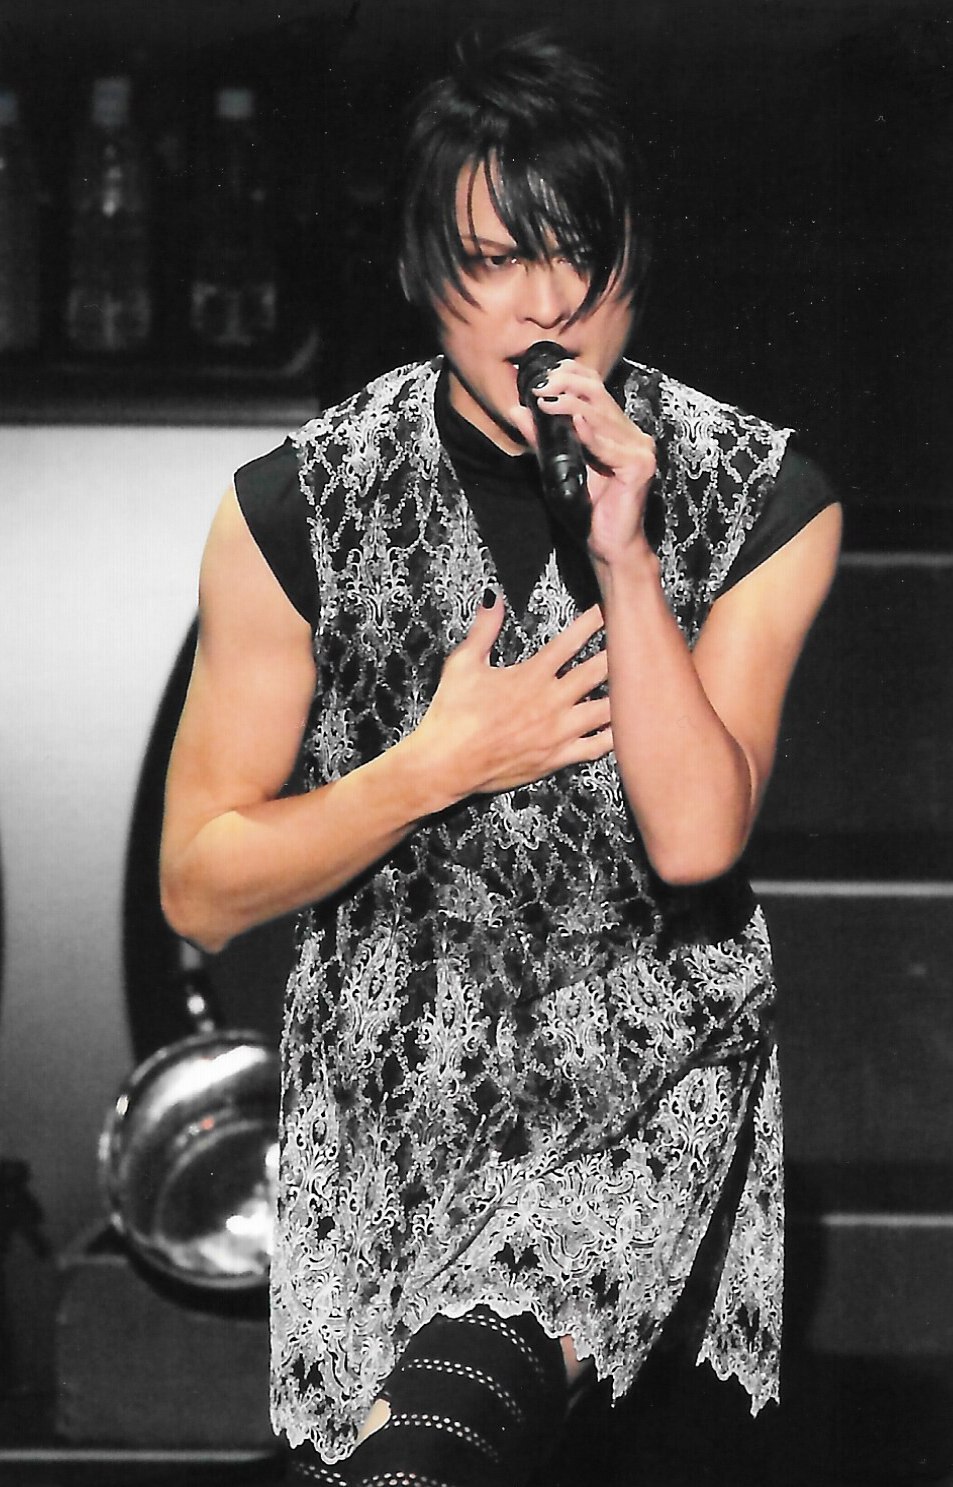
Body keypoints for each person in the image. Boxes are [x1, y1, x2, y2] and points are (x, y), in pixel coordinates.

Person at [160, 31, 841, 1487]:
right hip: (385, 1113)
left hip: (633, 1096)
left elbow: (696, 839)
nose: (545, 308)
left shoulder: (758, 497)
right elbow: (203, 889)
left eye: (578, 256)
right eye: (492, 261)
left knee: (434, 1451)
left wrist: (628, 560)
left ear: (634, 260)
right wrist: (433, 765)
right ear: (423, 271)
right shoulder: (294, 509)